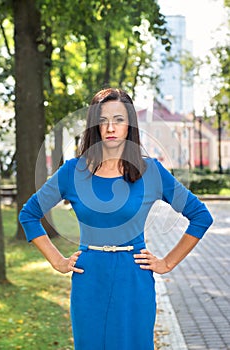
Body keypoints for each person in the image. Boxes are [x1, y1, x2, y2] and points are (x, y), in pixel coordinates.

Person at [19, 88, 213, 350]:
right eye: (103, 120)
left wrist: (167, 262)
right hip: (88, 278)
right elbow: (29, 214)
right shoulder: (72, 172)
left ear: (129, 124)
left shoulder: (151, 171)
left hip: (134, 279)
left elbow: (201, 216)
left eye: (119, 119)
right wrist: (58, 261)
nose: (110, 127)